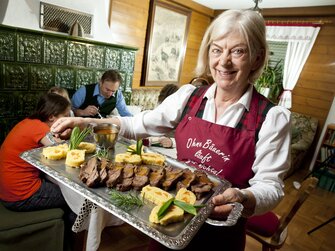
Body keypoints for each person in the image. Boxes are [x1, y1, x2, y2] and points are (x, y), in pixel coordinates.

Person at [51, 9, 291, 251]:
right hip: (170, 224)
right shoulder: (189, 97)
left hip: (220, 236)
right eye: (217, 49)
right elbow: (137, 124)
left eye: (238, 51)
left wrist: (243, 197)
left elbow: (271, 186)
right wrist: (87, 123)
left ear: (257, 58)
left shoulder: (272, 118)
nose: (223, 61)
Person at [0, 93, 74, 219]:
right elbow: (64, 152)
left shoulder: (29, 122)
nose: (68, 120)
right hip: (20, 196)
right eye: (65, 116)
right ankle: (72, 236)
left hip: (7, 191)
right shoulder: (40, 128)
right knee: (73, 197)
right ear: (51, 117)